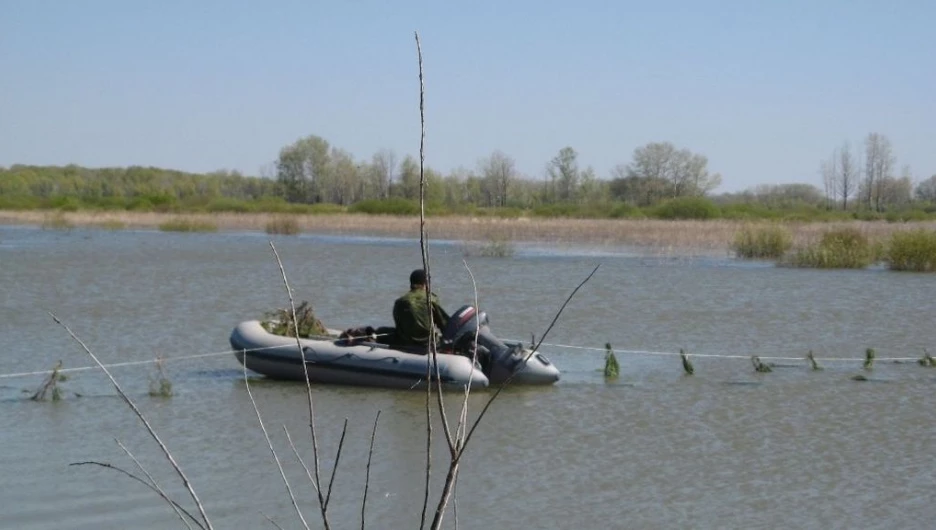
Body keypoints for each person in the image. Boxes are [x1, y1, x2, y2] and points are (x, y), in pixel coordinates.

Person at [392, 268, 450, 349]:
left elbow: (398, 326)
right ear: (425, 283)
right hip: (429, 343)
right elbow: (444, 324)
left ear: (411, 283)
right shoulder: (431, 298)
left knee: (381, 331)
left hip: (406, 342)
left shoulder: (399, 302)